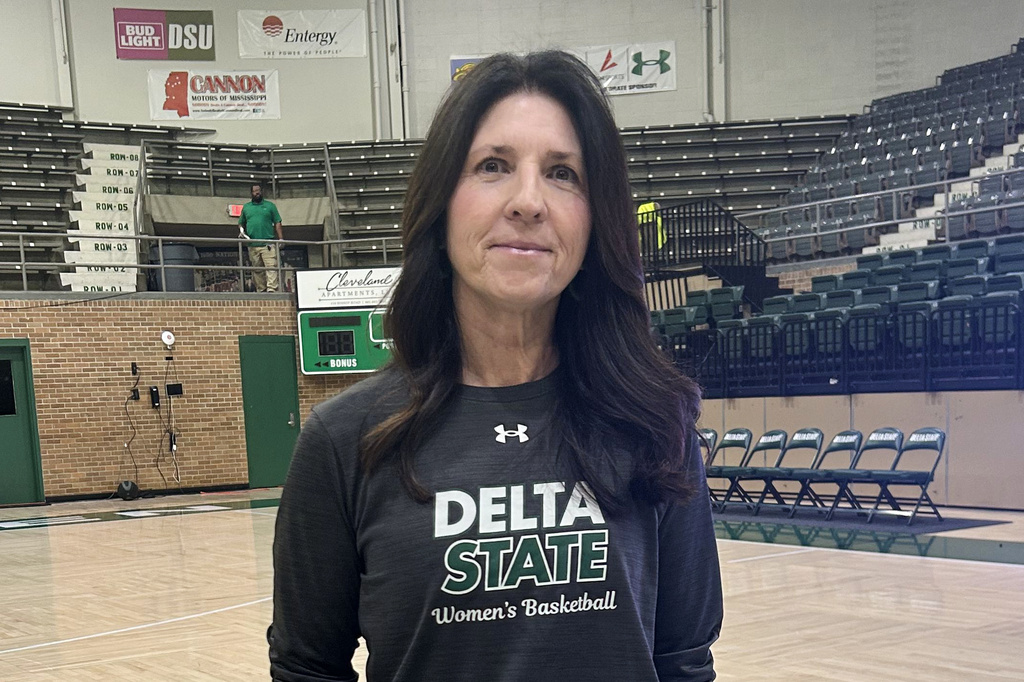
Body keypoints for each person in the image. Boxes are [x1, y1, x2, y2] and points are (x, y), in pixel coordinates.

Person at [269, 51, 722, 681]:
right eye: (492, 166)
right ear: (441, 204)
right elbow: (307, 668)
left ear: (596, 218)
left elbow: (683, 660)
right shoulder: (344, 440)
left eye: (563, 173)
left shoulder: (655, 421)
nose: (529, 201)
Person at [238, 183, 283, 292]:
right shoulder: (246, 207)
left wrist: (281, 238)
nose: (257, 192)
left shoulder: (270, 206)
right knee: (257, 269)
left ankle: (272, 290)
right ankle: (261, 290)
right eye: (255, 191)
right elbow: (241, 223)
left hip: (268, 243)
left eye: (258, 190)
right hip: (252, 244)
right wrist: (242, 231)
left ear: (261, 191)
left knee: (271, 267)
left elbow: (277, 221)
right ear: (251, 193)